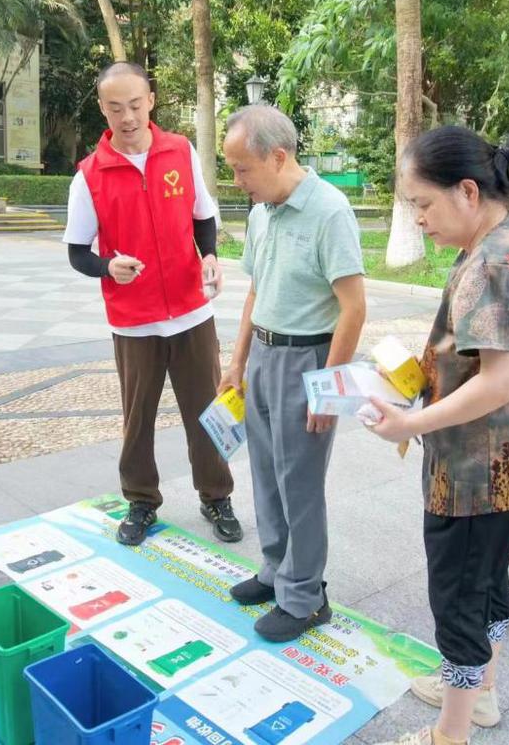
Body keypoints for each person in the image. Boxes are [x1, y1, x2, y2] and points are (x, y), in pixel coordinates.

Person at [366, 127, 509, 745]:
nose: (420, 219)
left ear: (468, 191)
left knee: (457, 600)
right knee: (485, 585)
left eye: (423, 204)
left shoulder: (494, 262)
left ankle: (453, 730)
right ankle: (481, 691)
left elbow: (501, 379)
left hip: (476, 471)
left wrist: (409, 423)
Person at [64, 61, 242, 546]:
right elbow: (78, 252)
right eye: (115, 107)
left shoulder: (180, 153)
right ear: (103, 108)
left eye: (136, 105)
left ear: (151, 101)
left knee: (207, 411)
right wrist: (108, 267)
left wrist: (209, 258)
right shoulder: (89, 176)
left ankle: (216, 495)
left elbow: (203, 218)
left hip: (191, 311)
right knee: (137, 417)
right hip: (134, 319)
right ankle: (141, 501)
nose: (127, 117)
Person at [217, 105, 366, 643]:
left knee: (299, 484)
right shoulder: (262, 213)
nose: (237, 183)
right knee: (265, 472)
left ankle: (305, 598)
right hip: (262, 352)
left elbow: (353, 308)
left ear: (278, 157)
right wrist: (236, 362)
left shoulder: (330, 211)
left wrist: (329, 390)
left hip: (308, 360)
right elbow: (255, 291)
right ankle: (275, 571)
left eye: (242, 170)